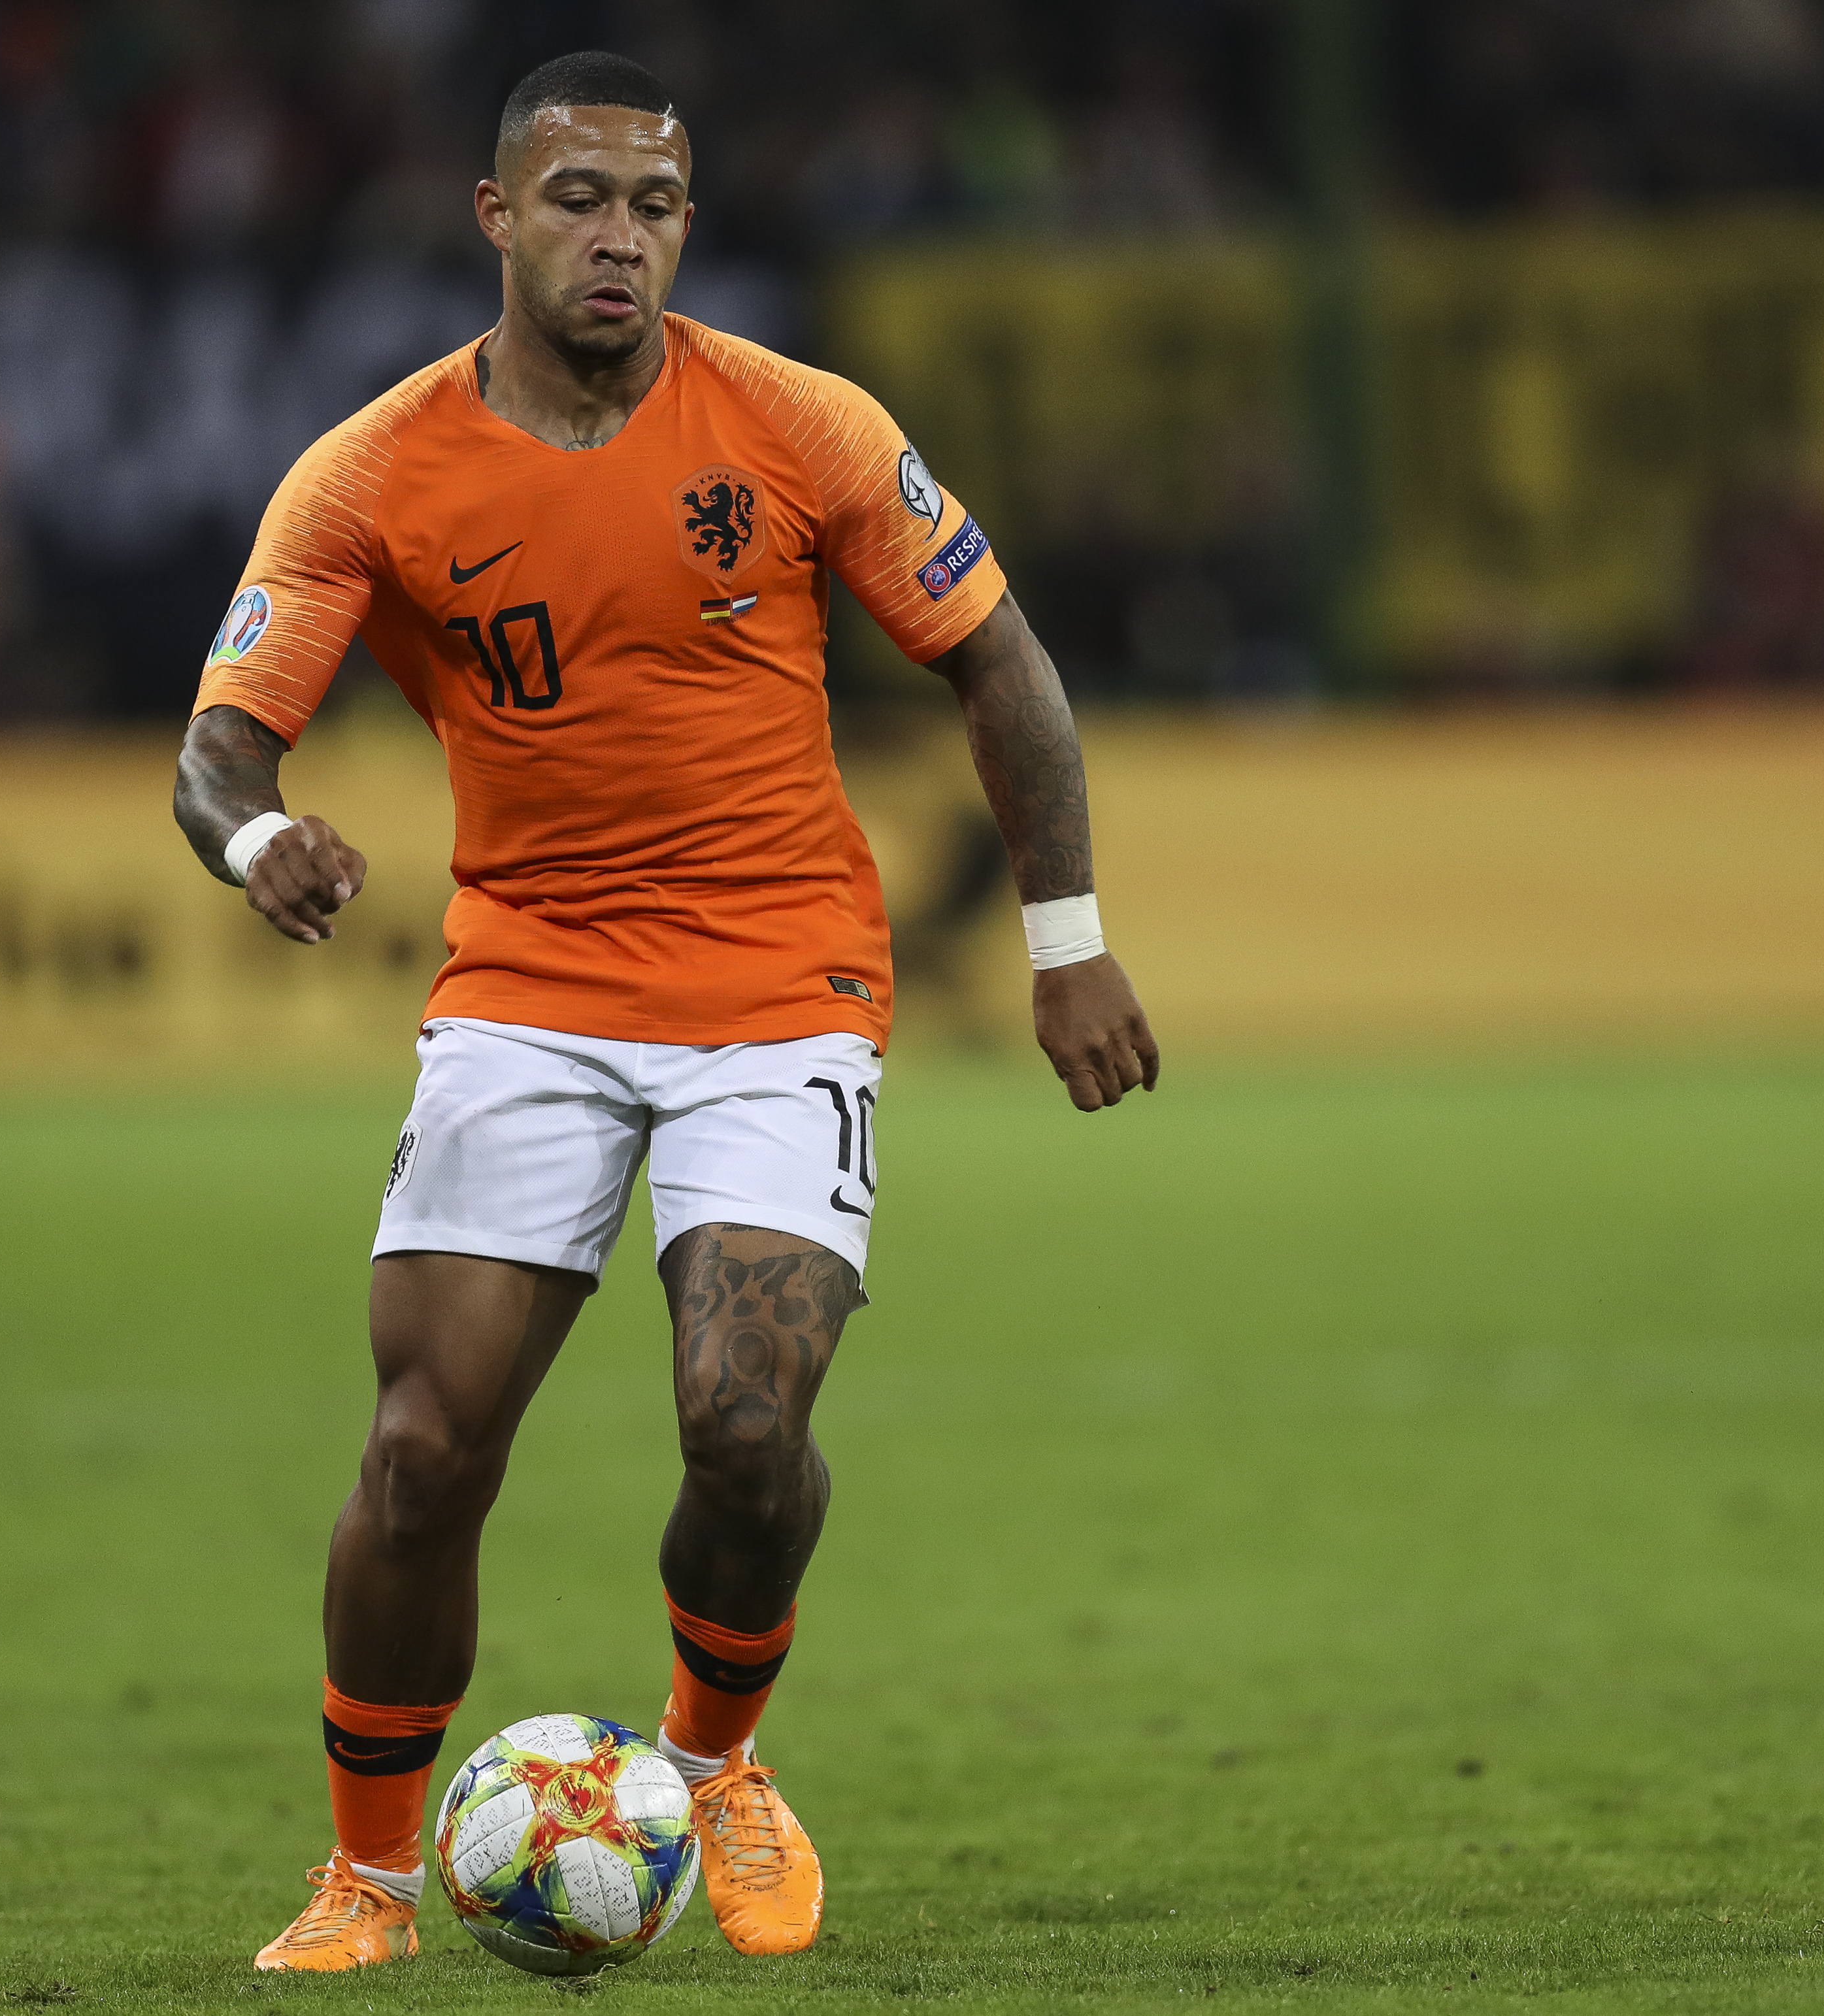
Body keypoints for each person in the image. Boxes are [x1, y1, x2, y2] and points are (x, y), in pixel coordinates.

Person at [173, 48, 1158, 1975]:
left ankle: (715, 1760)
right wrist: (254, 837)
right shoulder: (372, 474)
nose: (618, 237)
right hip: (524, 991)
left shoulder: (795, 425)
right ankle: (364, 1880)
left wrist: (1069, 938)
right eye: (576, 201)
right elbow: (219, 742)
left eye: (653, 205)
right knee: (421, 1454)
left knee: (738, 1415)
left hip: (777, 984)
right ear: (495, 218)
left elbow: (1001, 663)